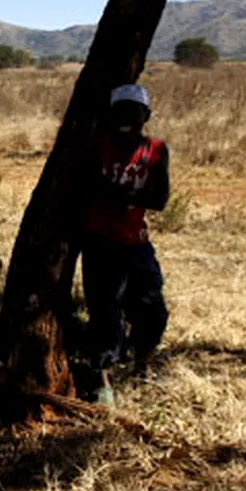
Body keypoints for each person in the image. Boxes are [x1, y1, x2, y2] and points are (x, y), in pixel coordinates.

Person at [81, 84, 171, 407]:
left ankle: (141, 361)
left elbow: (159, 198)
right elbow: (89, 187)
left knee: (152, 309)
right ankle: (102, 380)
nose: (126, 120)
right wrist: (128, 197)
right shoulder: (97, 147)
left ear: (145, 116)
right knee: (105, 312)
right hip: (100, 241)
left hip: (135, 242)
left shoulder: (156, 150)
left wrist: (120, 195)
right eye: (121, 112)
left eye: (134, 113)